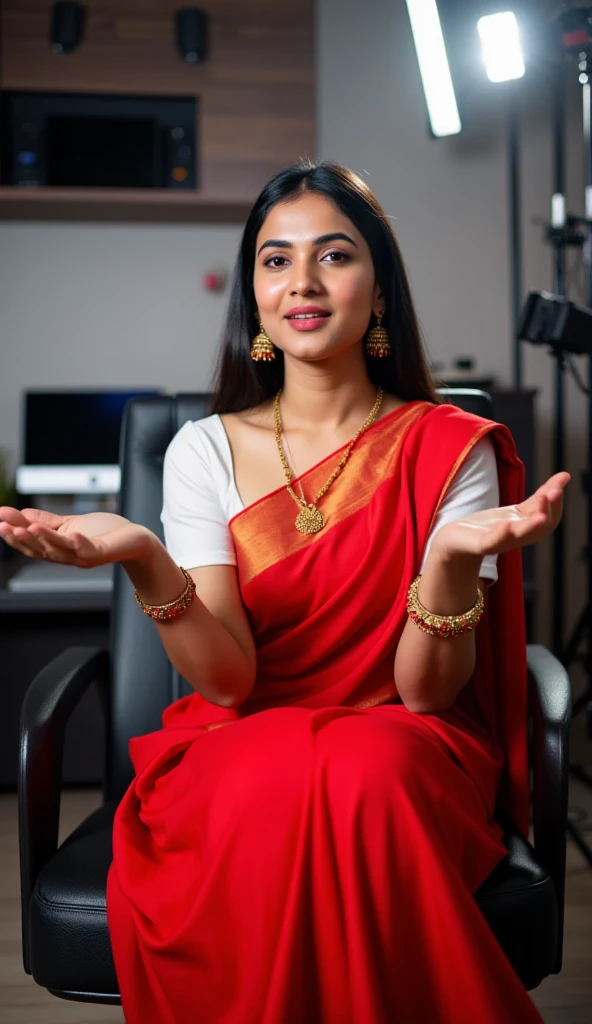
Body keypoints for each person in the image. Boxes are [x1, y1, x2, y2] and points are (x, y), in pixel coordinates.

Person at [1, 161, 569, 1024]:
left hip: (405, 739)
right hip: (240, 731)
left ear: (379, 289)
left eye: (333, 256)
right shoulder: (202, 449)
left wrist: (448, 563)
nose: (301, 281)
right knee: (282, 777)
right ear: (255, 296)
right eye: (275, 260)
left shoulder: (452, 447)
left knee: (365, 770)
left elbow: (424, 693)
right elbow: (226, 681)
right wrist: (149, 559)